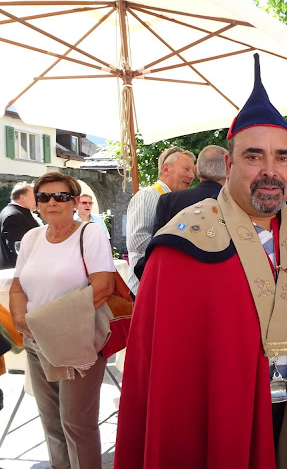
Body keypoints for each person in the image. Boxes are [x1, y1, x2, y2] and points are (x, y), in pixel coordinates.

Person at [114, 54, 287, 469]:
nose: (270, 171)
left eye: (283, 157)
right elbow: (160, 373)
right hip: (217, 420)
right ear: (228, 165)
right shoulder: (181, 243)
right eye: (253, 156)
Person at [9, 172, 115, 469]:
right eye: (44, 197)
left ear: (74, 201)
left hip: (76, 338)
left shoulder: (89, 233)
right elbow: (17, 287)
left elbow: (103, 287)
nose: (52, 202)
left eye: (61, 196)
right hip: (36, 340)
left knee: (76, 423)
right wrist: (21, 321)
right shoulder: (32, 238)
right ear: (37, 203)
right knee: (51, 423)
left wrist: (47, 322)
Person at [125, 146, 195, 294]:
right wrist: (176, 254)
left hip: (163, 286)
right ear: (166, 169)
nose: (192, 176)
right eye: (186, 169)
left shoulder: (177, 200)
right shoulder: (147, 195)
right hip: (145, 288)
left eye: (193, 171)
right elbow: (137, 241)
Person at [151, 145, 228, 235]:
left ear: (197, 171)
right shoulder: (234, 203)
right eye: (186, 169)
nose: (192, 176)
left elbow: (158, 241)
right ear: (228, 171)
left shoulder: (169, 201)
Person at [0, 182, 40, 269]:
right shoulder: (13, 215)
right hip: (22, 270)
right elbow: (17, 248)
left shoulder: (16, 212)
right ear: (22, 198)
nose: (38, 200)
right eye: (35, 196)